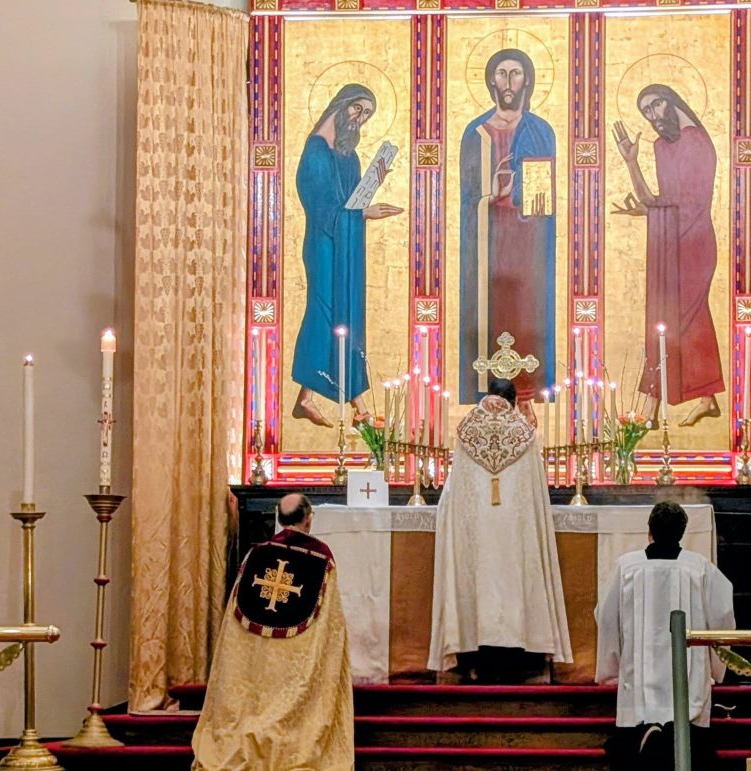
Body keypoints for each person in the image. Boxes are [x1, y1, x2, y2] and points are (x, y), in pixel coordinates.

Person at [192, 494, 354, 770]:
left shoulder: (257, 554)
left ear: (279, 519)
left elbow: (234, 623)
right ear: (308, 519)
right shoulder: (320, 557)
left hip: (258, 667)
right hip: (297, 666)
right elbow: (331, 622)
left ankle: (249, 725)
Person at [428, 378, 572, 681]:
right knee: (514, 582)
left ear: (489, 395)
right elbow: (535, 491)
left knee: (477, 582)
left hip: (476, 531)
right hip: (515, 531)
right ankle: (519, 662)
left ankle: (473, 660)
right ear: (513, 400)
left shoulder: (467, 429)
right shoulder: (524, 432)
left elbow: (454, 490)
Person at [612, 84, 724, 427]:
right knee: (672, 320)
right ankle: (704, 398)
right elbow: (654, 200)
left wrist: (655, 210)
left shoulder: (697, 142)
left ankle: (652, 407)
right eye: (646, 111)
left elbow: (691, 203)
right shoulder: (661, 147)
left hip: (694, 244)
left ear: (673, 101)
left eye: (657, 105)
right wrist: (631, 162)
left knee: (678, 321)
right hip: (670, 241)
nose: (653, 115)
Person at [292, 83, 403, 428]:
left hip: (345, 243)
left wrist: (373, 182)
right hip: (323, 245)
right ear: (339, 105)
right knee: (325, 315)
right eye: (357, 108)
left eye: (366, 114)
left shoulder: (348, 156)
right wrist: (364, 213)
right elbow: (321, 209)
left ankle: (314, 400)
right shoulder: (315, 152)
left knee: (345, 317)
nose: (360, 118)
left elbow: (351, 201)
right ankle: (356, 407)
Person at [595, 501, 734, 769]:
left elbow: (607, 617)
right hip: (689, 681)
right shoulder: (700, 567)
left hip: (638, 683)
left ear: (649, 531)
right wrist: (715, 669)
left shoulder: (627, 567)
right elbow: (722, 618)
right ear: (682, 532)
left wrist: (612, 667)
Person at [459, 49, 556, 407]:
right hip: (488, 242)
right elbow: (466, 201)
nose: (509, 81)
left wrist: (524, 196)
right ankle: (489, 397)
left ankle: (529, 395)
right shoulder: (476, 134)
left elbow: (543, 201)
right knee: (493, 310)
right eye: (502, 73)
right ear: (491, 80)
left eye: (516, 73)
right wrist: (492, 196)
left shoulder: (539, 130)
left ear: (527, 79)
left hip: (528, 242)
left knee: (529, 311)